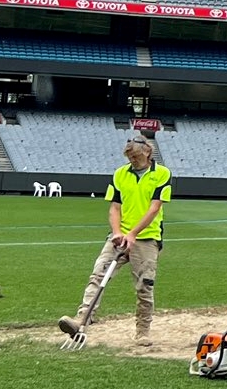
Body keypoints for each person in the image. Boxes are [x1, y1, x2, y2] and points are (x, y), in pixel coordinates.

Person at [57, 137, 171, 345]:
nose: (132, 161)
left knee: (144, 286)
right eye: (129, 157)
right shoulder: (120, 174)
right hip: (119, 237)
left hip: (146, 239)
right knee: (98, 275)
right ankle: (81, 319)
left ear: (147, 152)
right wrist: (118, 232)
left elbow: (154, 208)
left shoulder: (162, 174)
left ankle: (142, 331)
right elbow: (114, 207)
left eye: (135, 156)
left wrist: (133, 234)